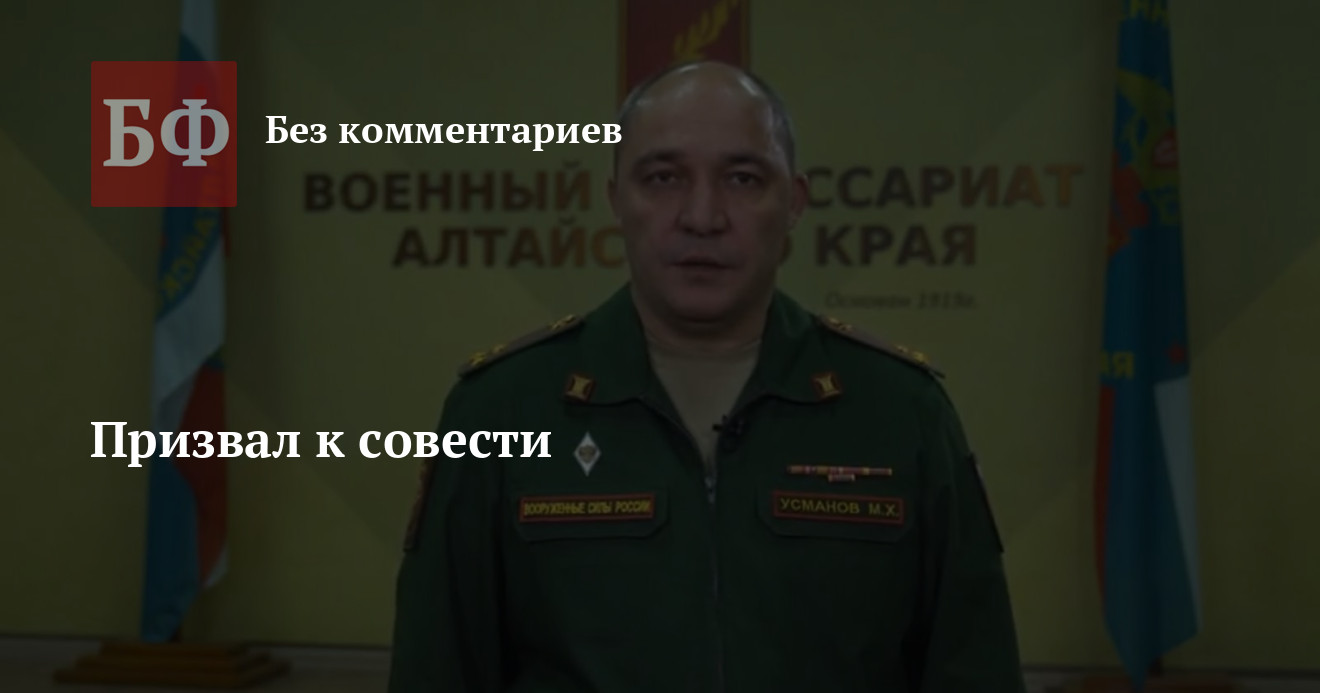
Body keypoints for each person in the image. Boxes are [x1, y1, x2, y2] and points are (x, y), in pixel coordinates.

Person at [387, 60, 1026, 692]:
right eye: (663, 178)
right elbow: (436, 671)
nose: (702, 215)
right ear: (615, 200)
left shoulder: (901, 410)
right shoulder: (501, 409)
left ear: (794, 202)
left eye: (743, 179)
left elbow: (974, 669)